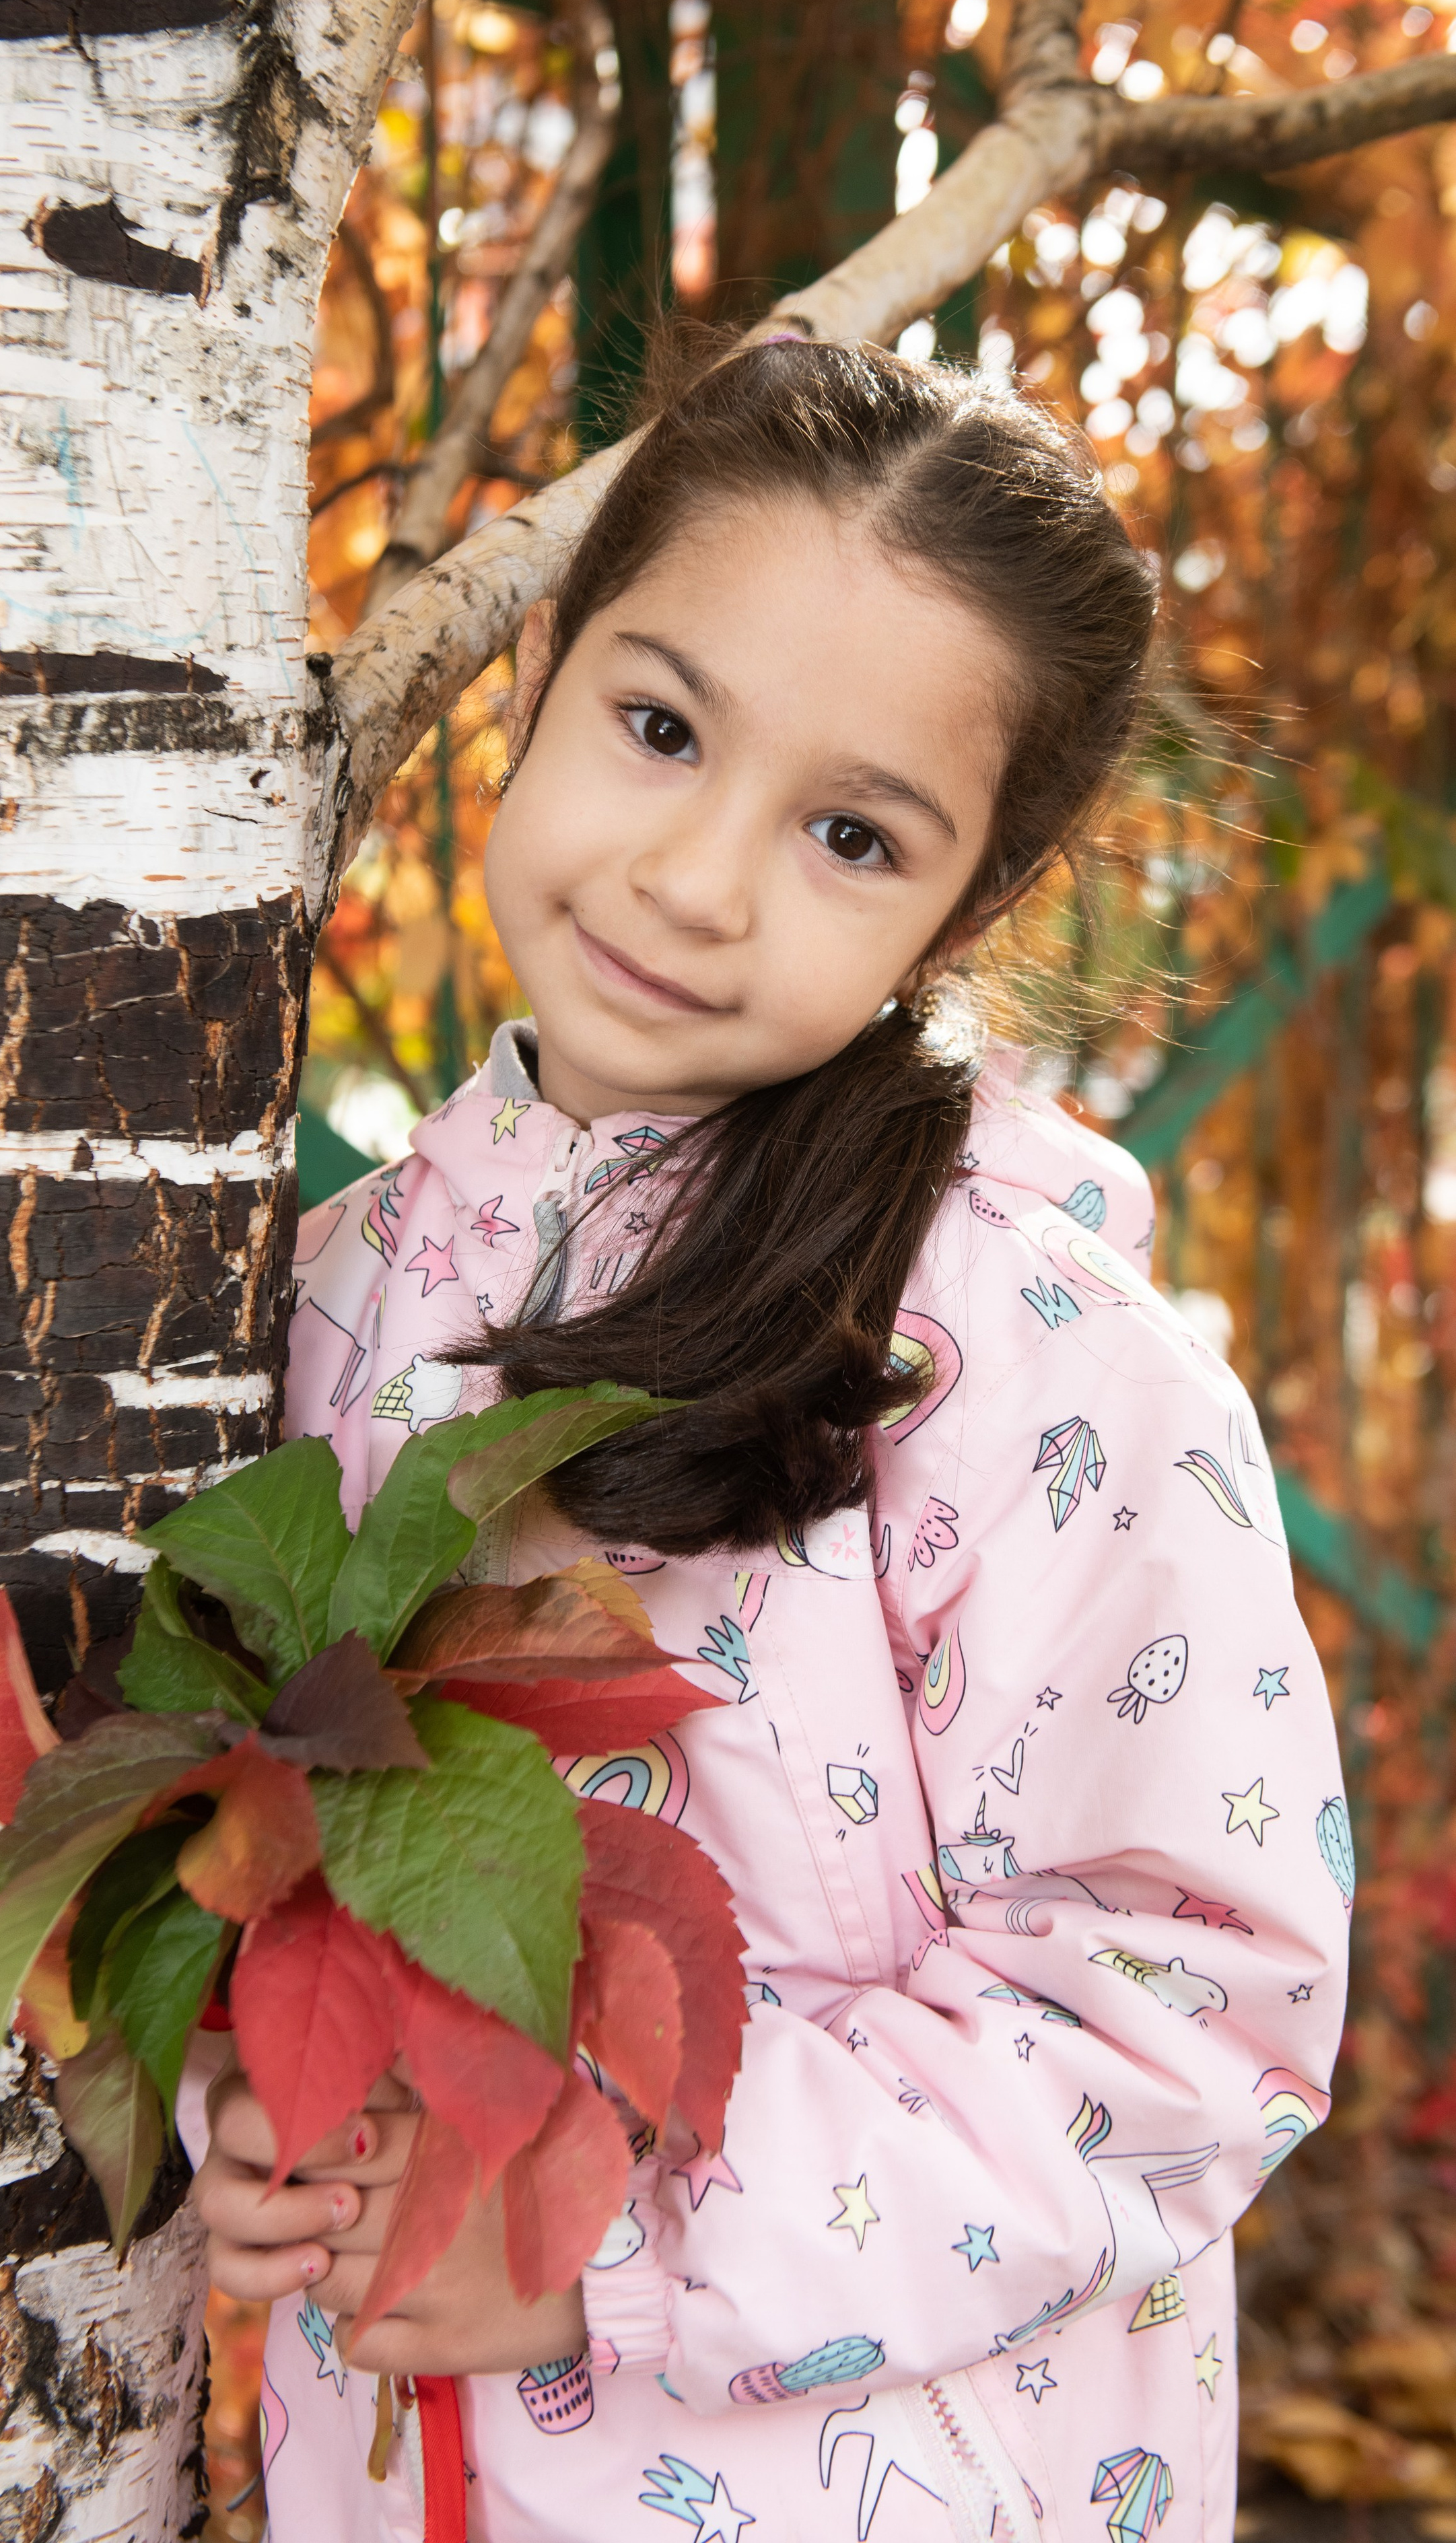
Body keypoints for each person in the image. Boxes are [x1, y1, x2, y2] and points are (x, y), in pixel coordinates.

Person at [186, 341, 1349, 2543]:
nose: (701, 880)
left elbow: (1184, 1999)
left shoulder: (1021, 1359)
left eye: (848, 832)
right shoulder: (316, 1300)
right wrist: (255, 2104)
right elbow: (263, 1863)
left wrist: (610, 2236)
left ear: (968, 900)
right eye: (657, 725)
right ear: (540, 677)